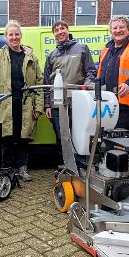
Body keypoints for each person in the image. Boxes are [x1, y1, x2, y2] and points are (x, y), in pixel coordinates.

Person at [0, 20, 43, 182]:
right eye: (10, 34)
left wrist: (38, 105)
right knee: (7, 138)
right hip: (5, 104)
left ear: (21, 36)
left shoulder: (30, 57)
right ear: (6, 37)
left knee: (23, 138)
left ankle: (22, 169)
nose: (14, 37)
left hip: (25, 104)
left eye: (16, 34)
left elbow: (39, 82)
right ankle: (8, 170)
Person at [43, 20, 96, 159]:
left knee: (78, 134)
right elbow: (47, 82)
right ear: (54, 34)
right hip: (57, 103)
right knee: (61, 137)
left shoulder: (82, 48)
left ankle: (79, 167)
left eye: (62, 28)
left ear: (68, 30)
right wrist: (47, 104)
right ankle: (65, 167)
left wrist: (86, 87)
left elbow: (91, 71)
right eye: (56, 30)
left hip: (78, 101)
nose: (60, 32)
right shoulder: (51, 55)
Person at [97, 15, 129, 129]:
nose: (118, 30)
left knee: (118, 137)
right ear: (111, 31)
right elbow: (99, 75)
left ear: (128, 29)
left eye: (121, 27)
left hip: (124, 103)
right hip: (106, 101)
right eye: (115, 28)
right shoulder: (105, 49)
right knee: (104, 137)